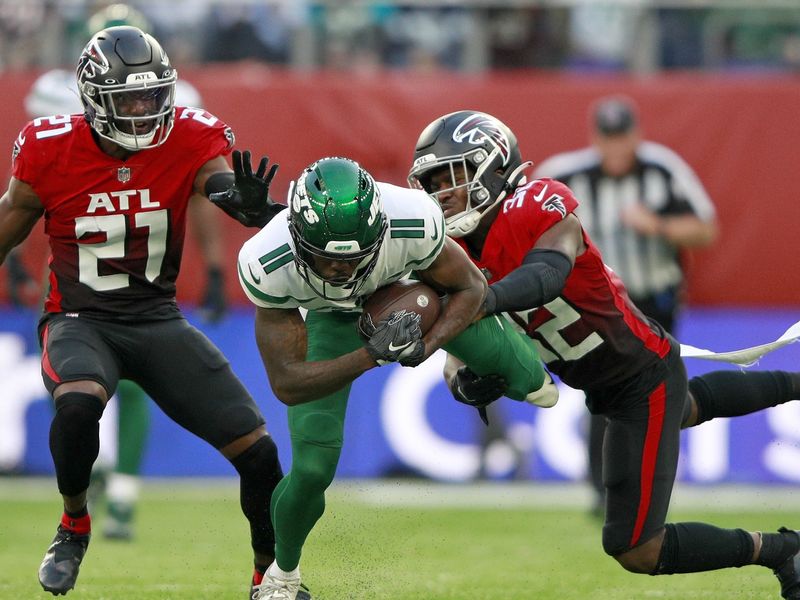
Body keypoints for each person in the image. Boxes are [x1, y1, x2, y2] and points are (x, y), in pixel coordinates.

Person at [407, 109, 800, 599]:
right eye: (433, 182)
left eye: (454, 177)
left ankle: (782, 551)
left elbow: (547, 273)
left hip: (642, 374)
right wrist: (465, 381)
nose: (444, 193)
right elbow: (455, 354)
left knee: (637, 547)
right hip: (611, 383)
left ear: (494, 166)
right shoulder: (451, 251)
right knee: (690, 406)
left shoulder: (536, 202)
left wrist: (481, 300)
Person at [0, 26, 285, 596]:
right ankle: (74, 522)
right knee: (78, 408)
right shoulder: (49, 146)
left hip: (156, 319)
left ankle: (270, 577)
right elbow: (8, 222)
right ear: (92, 100)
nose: (140, 111)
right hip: (80, 318)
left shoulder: (189, 135)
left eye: (151, 98)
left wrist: (244, 204)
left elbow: (219, 183)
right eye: (126, 99)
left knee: (259, 455)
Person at [237, 156, 556, 599]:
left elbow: (470, 289)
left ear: (379, 231)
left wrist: (431, 345)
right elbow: (287, 384)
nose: (340, 271)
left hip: (409, 292)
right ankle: (281, 578)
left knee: (535, 387)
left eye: (353, 259)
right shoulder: (268, 262)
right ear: (297, 237)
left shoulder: (413, 219)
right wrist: (372, 356)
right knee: (311, 470)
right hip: (327, 320)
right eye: (325, 259)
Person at [2, 3, 228, 542]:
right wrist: (14, 256)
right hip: (76, 275)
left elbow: (198, 191)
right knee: (79, 390)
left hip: (141, 276)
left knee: (135, 386)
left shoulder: (182, 114)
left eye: (148, 90)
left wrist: (216, 266)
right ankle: (99, 479)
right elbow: (29, 195)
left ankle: (121, 490)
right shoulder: (54, 109)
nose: (137, 101)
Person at [532, 94, 719, 515]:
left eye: (623, 138)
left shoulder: (662, 168)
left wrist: (659, 225)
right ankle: (604, 490)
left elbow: (706, 229)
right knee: (607, 388)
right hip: (600, 306)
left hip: (654, 299)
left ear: (636, 135)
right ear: (595, 138)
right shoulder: (564, 175)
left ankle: (646, 484)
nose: (616, 149)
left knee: (661, 389)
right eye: (608, 139)